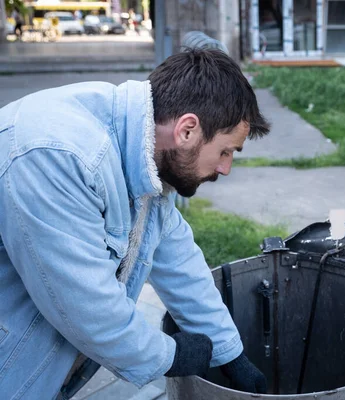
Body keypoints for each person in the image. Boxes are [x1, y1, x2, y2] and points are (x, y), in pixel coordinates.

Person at [0, 48, 271, 399]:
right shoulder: (58, 157)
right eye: (225, 151)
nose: (225, 168)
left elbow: (179, 260)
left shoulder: (142, 150)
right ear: (187, 130)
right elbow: (87, 308)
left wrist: (229, 353)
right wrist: (169, 356)